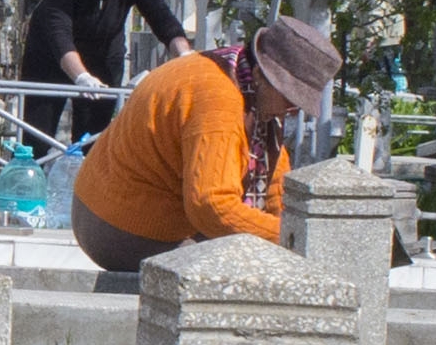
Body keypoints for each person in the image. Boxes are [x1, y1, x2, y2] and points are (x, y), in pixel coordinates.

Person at [67, 18, 340, 275]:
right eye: (290, 98)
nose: (292, 111)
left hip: (112, 209)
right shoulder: (218, 100)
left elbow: (275, 185)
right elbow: (211, 207)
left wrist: (296, 231)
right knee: (245, 276)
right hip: (119, 227)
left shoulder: (244, 85)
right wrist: (292, 236)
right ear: (259, 74)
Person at [18, 0, 191, 143]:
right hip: (51, 57)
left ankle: (85, 176)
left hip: (103, 57)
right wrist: (81, 76)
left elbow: (162, 18)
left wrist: (185, 55)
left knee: (92, 141)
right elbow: (58, 31)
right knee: (36, 138)